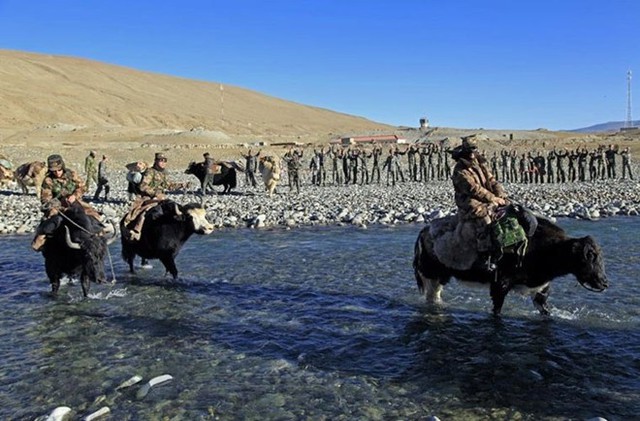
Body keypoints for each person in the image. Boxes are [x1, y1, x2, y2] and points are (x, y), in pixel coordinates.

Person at [450, 135, 509, 272]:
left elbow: (492, 180)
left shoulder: (480, 163)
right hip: (469, 201)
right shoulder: (460, 169)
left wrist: (500, 195)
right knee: (485, 220)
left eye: (474, 150)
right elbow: (473, 189)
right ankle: (484, 258)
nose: (472, 153)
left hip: (488, 197)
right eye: (469, 150)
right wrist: (492, 198)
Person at [32, 154, 103, 251]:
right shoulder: (48, 180)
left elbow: (82, 187)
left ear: (63, 167)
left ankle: (100, 233)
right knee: (50, 221)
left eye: (59, 170)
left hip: (75, 202)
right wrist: (59, 203)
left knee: (93, 214)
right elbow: (45, 199)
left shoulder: (72, 174)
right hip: (58, 208)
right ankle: (40, 241)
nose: (57, 173)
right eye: (54, 171)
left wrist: (75, 195)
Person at [123, 152, 170, 241]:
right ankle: (137, 230)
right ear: (156, 161)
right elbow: (143, 186)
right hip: (149, 197)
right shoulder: (150, 172)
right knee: (146, 211)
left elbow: (168, 185)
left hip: (162, 197)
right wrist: (155, 194)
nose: (163, 162)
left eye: (165, 161)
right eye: (161, 160)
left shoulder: (163, 173)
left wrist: (182, 185)